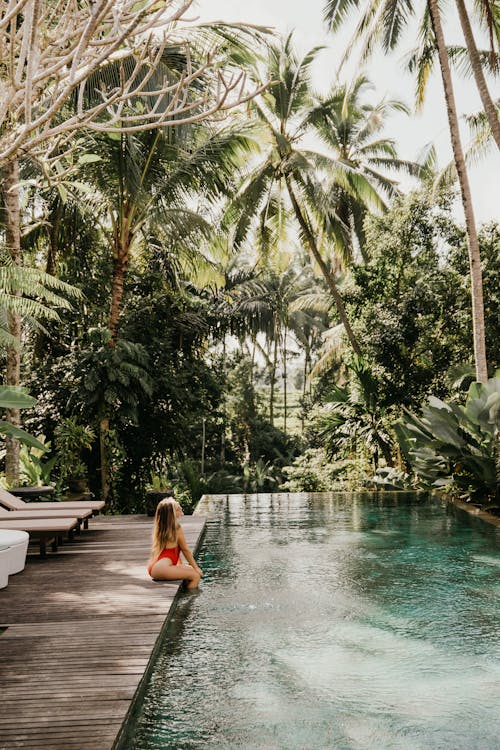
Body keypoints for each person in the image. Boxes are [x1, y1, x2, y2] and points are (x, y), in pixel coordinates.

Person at [147, 498, 202, 589]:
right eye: (177, 508)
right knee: (195, 576)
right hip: (161, 568)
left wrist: (184, 566)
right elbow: (185, 550)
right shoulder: (176, 528)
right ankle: (190, 599)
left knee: (190, 570)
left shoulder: (163, 529)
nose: (180, 508)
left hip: (155, 567)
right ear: (171, 514)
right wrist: (196, 568)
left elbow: (174, 551)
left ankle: (186, 591)